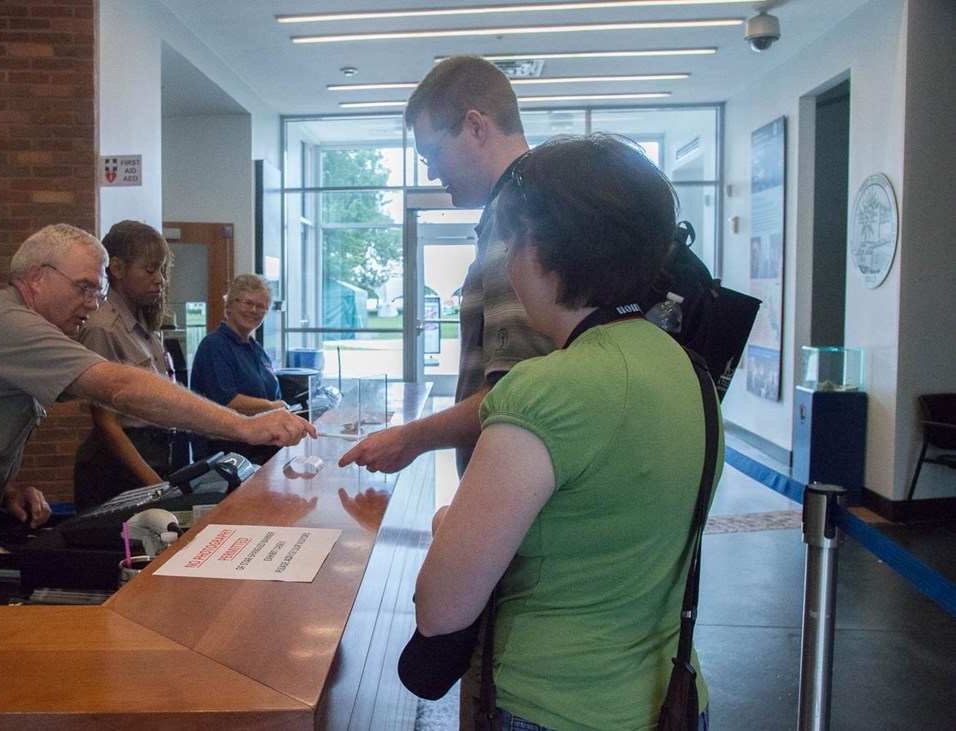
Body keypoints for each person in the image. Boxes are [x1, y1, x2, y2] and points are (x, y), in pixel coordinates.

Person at [0, 224, 314, 591]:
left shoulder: (27, 330)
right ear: (34, 278)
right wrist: (245, 427)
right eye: (83, 287)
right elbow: (119, 388)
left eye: (97, 288)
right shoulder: (6, 323)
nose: (94, 301)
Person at [411, 134, 720, 730]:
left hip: (552, 706)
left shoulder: (543, 391)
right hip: (673, 701)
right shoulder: (693, 373)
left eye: (511, 240)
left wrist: (450, 526)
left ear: (539, 248)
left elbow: (441, 609)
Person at [340, 55, 554, 478]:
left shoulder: (518, 217)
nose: (434, 173)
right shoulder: (536, 202)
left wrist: (412, 437)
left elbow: (517, 394)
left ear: (476, 126)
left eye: (433, 153)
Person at [73, 220, 183, 510]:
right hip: (119, 466)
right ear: (118, 269)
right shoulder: (104, 328)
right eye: (149, 270)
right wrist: (155, 483)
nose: (159, 279)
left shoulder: (147, 326)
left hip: (157, 451)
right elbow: (106, 423)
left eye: (162, 270)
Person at [189, 274, 287, 464]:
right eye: (247, 303)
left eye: (260, 306)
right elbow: (227, 401)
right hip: (225, 458)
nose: (253, 310)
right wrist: (271, 408)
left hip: (259, 456)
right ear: (230, 305)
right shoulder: (214, 345)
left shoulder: (257, 350)